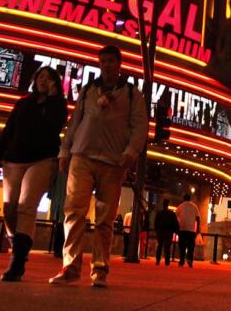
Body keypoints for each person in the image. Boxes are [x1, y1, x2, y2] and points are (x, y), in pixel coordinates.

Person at [49, 44, 148, 288]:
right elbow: (75, 123)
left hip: (113, 161)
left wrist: (130, 152)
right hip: (82, 155)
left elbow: (140, 126)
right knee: (74, 212)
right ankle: (70, 267)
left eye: (111, 61)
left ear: (119, 64)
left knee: (105, 219)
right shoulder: (88, 90)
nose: (107, 65)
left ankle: (100, 270)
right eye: (103, 61)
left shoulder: (132, 93)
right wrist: (64, 151)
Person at [0, 65, 69, 281]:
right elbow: (8, 132)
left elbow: (55, 126)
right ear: (34, 80)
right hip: (14, 160)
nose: (44, 80)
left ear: (55, 83)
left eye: (48, 78)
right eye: (40, 77)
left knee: (26, 205)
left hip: (43, 160)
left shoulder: (58, 105)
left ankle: (17, 261)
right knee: (9, 208)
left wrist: (53, 98)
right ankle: (18, 245)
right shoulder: (23, 103)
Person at [175, 193, 200, 267]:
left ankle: (182, 261)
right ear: (190, 199)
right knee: (191, 247)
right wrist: (198, 229)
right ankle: (190, 260)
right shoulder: (194, 206)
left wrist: (177, 227)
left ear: (184, 199)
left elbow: (175, 217)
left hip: (182, 229)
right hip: (191, 230)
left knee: (182, 246)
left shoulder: (180, 206)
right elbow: (198, 218)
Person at [152, 199, 178, 265]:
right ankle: (167, 261)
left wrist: (156, 230)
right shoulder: (172, 213)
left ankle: (158, 260)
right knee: (167, 247)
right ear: (168, 205)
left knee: (159, 246)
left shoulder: (159, 213)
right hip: (169, 232)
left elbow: (156, 222)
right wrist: (175, 230)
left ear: (163, 205)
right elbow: (175, 223)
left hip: (160, 231)